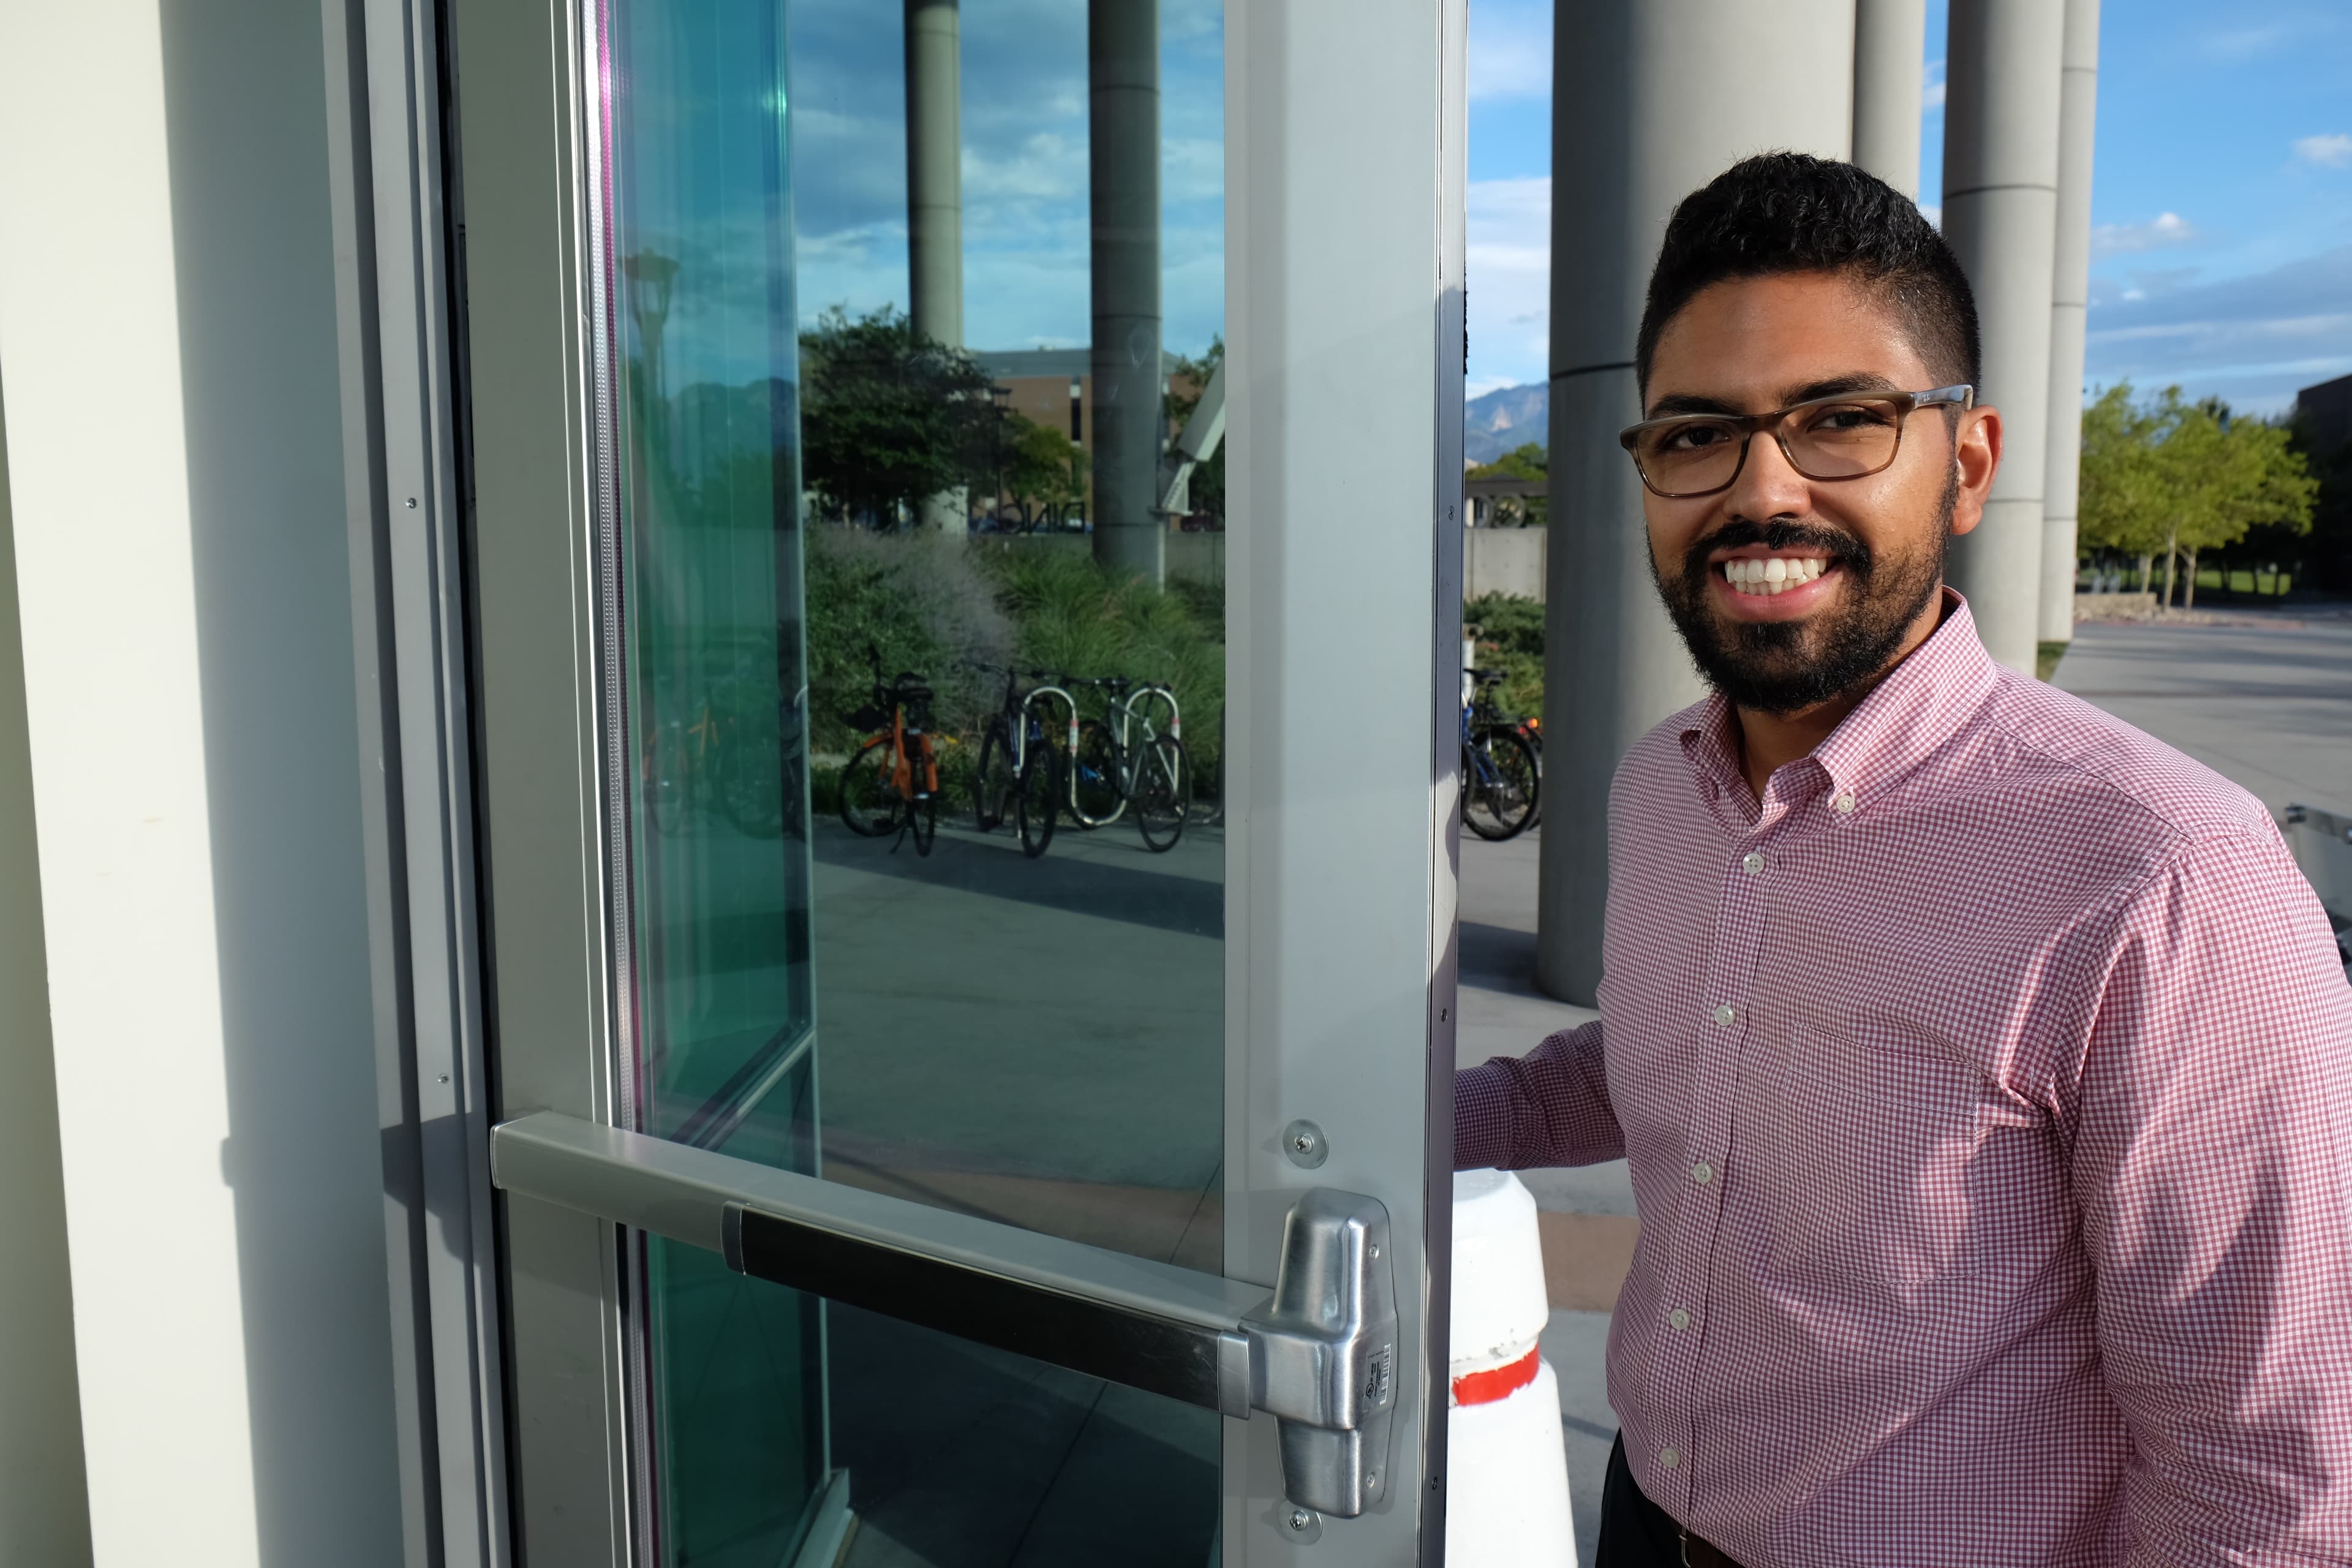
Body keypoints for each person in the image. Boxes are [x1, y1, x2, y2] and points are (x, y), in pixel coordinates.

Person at [1454, 153, 2352, 1568]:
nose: (1760, 491)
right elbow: (1651, 1054)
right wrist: (1377, 1117)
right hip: (1645, 1511)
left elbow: (2262, 1474)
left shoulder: (2164, 881)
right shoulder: (1660, 787)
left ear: (1970, 463)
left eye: (1841, 422)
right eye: (1696, 434)